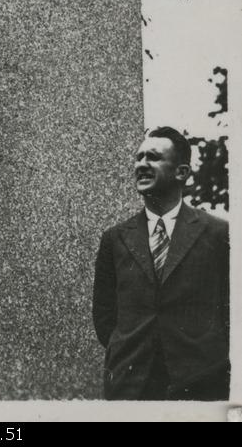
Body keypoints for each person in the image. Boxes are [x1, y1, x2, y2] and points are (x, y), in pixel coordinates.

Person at [92, 126, 230, 400]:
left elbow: (230, 310)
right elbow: (104, 315)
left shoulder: (218, 234)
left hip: (200, 383)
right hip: (130, 386)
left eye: (153, 157)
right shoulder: (115, 238)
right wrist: (128, 353)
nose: (141, 164)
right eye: (139, 157)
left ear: (181, 172)